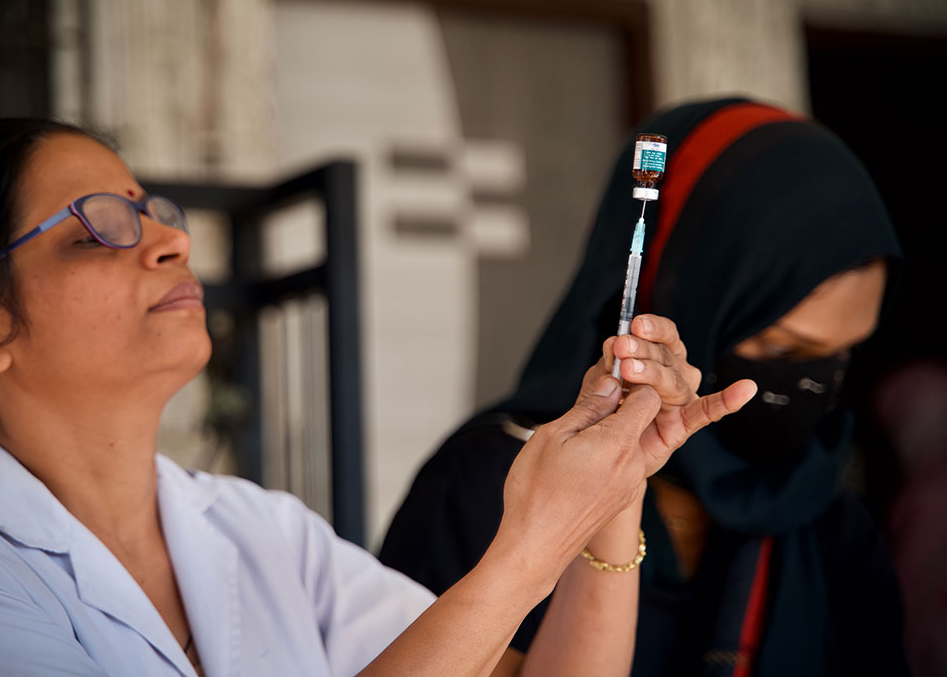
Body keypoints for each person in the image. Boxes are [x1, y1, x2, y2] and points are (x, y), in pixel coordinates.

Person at [0, 118, 753, 677]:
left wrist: (612, 496)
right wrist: (528, 545)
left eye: (155, 208)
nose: (171, 241)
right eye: (102, 223)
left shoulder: (264, 533)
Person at [380, 97, 910, 676]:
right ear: (686, 295)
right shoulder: (499, 487)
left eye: (842, 354)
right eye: (782, 347)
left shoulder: (830, 522)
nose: (817, 381)